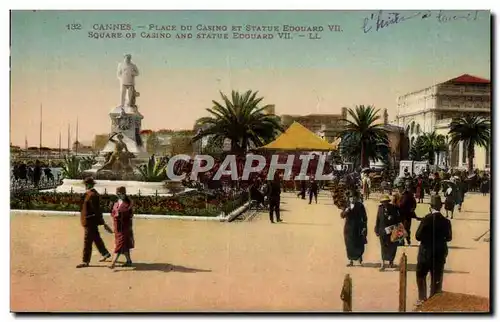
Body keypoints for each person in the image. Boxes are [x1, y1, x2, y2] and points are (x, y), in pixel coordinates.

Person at [415, 195, 452, 305]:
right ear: (440, 207)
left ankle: (422, 298)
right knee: (436, 277)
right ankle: (434, 300)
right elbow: (449, 238)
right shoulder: (446, 221)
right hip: (440, 253)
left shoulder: (426, 219)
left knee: (421, 275)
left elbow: (418, 236)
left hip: (425, 253)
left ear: (430, 207)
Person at [76, 177, 113, 268]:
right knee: (96, 238)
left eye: (86, 184)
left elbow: (97, 210)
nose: (85, 186)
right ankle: (105, 253)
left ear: (89, 185)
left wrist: (102, 222)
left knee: (87, 241)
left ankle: (85, 261)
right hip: (89, 220)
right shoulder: (90, 194)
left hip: (90, 221)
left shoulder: (93, 195)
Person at [109, 187, 135, 269]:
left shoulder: (128, 203)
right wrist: (114, 214)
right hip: (117, 227)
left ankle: (113, 262)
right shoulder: (116, 202)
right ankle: (129, 261)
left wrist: (121, 215)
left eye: (121, 194)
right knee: (124, 244)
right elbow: (112, 213)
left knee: (120, 244)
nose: (119, 196)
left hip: (125, 227)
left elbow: (130, 215)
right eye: (118, 194)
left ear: (124, 194)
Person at [375, 195, 402, 271]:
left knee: (392, 246)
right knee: (383, 247)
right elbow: (378, 219)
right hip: (382, 231)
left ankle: (391, 262)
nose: (385, 203)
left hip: (392, 230)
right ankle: (383, 263)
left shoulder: (393, 208)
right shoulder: (380, 208)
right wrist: (376, 229)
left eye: (386, 202)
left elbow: (398, 219)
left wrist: (392, 217)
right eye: (383, 202)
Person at [341, 191, 368, 267]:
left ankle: (359, 257)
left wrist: (364, 227)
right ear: (349, 198)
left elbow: (365, 218)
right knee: (349, 244)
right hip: (348, 228)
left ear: (356, 198)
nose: (352, 199)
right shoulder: (347, 205)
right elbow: (342, 215)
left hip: (358, 227)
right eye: (351, 197)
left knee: (359, 243)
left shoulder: (360, 206)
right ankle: (351, 260)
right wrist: (346, 211)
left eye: (354, 197)